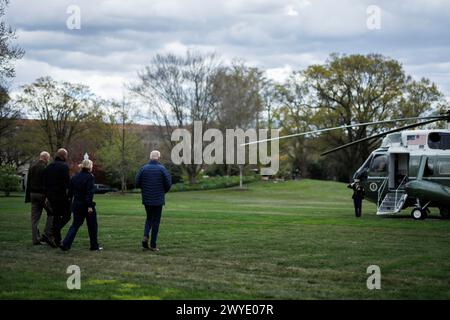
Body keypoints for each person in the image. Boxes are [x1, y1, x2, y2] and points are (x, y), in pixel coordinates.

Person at [60, 158, 102, 251]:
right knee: (92, 225)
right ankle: (94, 245)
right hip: (86, 205)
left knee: (75, 225)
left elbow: (70, 193)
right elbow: (89, 193)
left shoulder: (75, 177)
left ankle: (66, 243)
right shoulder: (90, 177)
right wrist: (90, 206)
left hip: (76, 204)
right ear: (89, 167)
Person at [136, 150, 172, 252]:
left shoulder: (143, 168)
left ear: (150, 157)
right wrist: (163, 191)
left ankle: (145, 235)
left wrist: (145, 189)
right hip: (158, 199)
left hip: (147, 198)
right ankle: (153, 244)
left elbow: (137, 182)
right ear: (158, 158)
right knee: (156, 221)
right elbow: (168, 183)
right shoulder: (162, 169)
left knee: (149, 218)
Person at [43, 148, 71, 247]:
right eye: (66, 155)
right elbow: (67, 183)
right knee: (67, 216)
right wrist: (69, 196)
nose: (67, 157)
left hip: (51, 197)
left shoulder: (49, 167)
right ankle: (53, 232)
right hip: (61, 196)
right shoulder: (64, 167)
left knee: (56, 217)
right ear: (63, 156)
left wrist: (47, 196)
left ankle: (57, 240)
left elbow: (45, 183)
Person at [25, 151, 53, 245]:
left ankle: (35, 239)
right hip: (42, 195)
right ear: (45, 158)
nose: (48, 160)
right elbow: (47, 184)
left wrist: (28, 196)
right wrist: (47, 196)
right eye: (48, 158)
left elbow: (28, 183)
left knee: (34, 219)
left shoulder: (32, 167)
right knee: (51, 213)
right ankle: (47, 234)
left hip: (32, 194)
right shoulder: (45, 168)